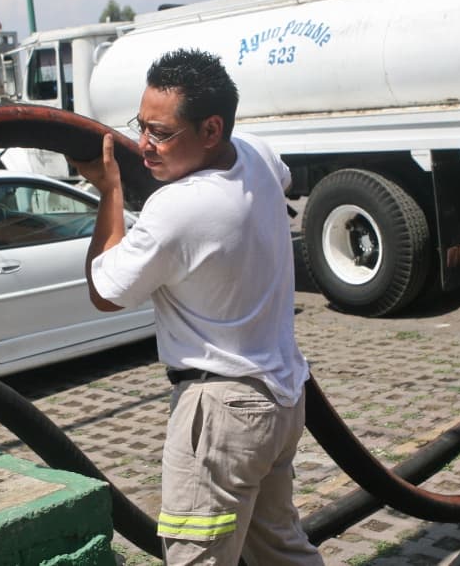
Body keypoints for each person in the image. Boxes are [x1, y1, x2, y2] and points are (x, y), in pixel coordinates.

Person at [68, 48, 322, 565]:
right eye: (141, 126)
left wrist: (111, 190)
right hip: (281, 399)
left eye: (161, 133)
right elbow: (277, 179)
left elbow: (105, 291)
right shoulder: (256, 153)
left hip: (221, 412)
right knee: (281, 552)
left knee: (196, 558)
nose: (143, 145)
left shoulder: (178, 208)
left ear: (211, 129)